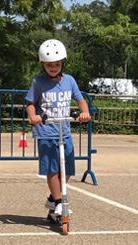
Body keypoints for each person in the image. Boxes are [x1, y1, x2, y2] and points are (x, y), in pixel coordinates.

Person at [26, 39, 90, 216]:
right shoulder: (38, 82)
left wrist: (85, 113)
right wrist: (33, 115)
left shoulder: (69, 80)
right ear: (43, 65)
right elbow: (30, 103)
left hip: (65, 131)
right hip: (46, 132)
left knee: (68, 168)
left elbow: (80, 100)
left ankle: (52, 200)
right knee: (52, 169)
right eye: (49, 65)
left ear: (62, 63)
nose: (53, 68)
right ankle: (60, 202)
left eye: (56, 64)